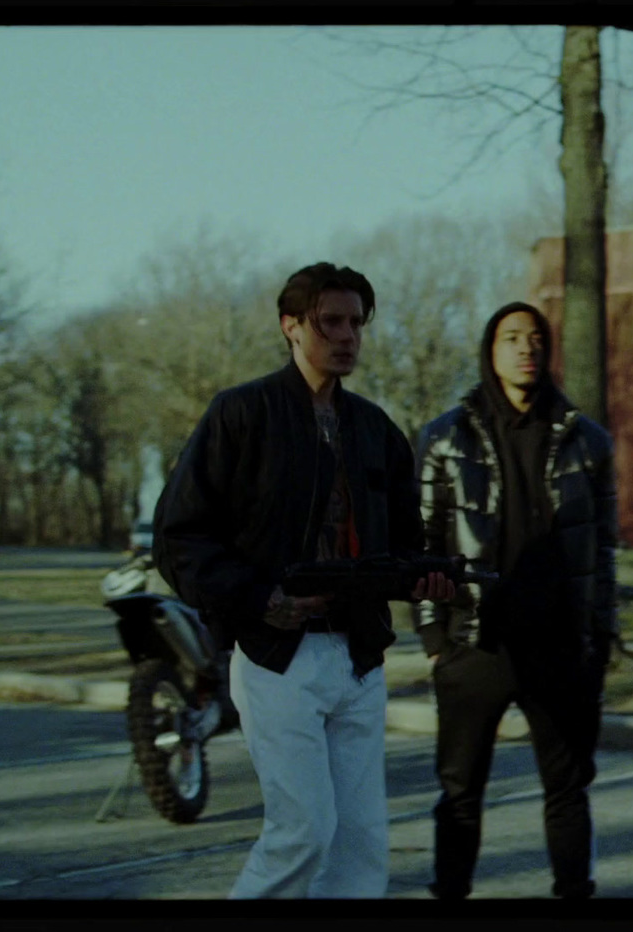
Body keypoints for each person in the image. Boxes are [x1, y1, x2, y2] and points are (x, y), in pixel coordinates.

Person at [154, 261, 454, 899]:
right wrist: (261, 598)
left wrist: (423, 577)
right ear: (291, 326)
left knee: (362, 845)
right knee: (304, 833)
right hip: (278, 655)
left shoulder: (375, 430)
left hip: (359, 657)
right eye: (330, 322)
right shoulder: (241, 415)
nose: (347, 336)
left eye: (356, 323)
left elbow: (403, 546)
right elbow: (179, 538)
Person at [415, 301, 617, 899]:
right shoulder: (445, 439)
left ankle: (574, 892)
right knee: (459, 792)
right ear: (490, 349)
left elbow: (602, 551)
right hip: (477, 643)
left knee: (568, 789)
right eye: (510, 338)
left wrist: (599, 639)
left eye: (534, 338)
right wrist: (433, 639)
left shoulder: (588, 441)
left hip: (560, 647)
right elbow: (423, 542)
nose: (524, 347)